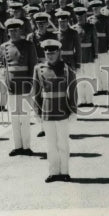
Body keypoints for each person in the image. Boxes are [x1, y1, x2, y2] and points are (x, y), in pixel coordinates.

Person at [31, 39, 78, 182]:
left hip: (63, 110)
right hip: (47, 111)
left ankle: (65, 172)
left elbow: (73, 89)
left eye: (53, 52)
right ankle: (53, 172)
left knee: (63, 143)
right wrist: (37, 112)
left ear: (58, 52)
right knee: (50, 144)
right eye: (47, 52)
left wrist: (73, 110)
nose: (49, 55)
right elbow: (36, 93)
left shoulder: (66, 68)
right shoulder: (38, 69)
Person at [0, 18, 37, 156]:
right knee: (14, 118)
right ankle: (17, 146)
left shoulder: (28, 45)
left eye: (15, 30)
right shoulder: (4, 46)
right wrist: (3, 75)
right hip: (11, 85)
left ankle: (26, 146)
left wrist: (33, 84)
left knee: (24, 118)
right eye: (10, 30)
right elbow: (2, 63)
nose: (13, 33)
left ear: (20, 30)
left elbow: (34, 66)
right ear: (7, 32)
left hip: (24, 84)